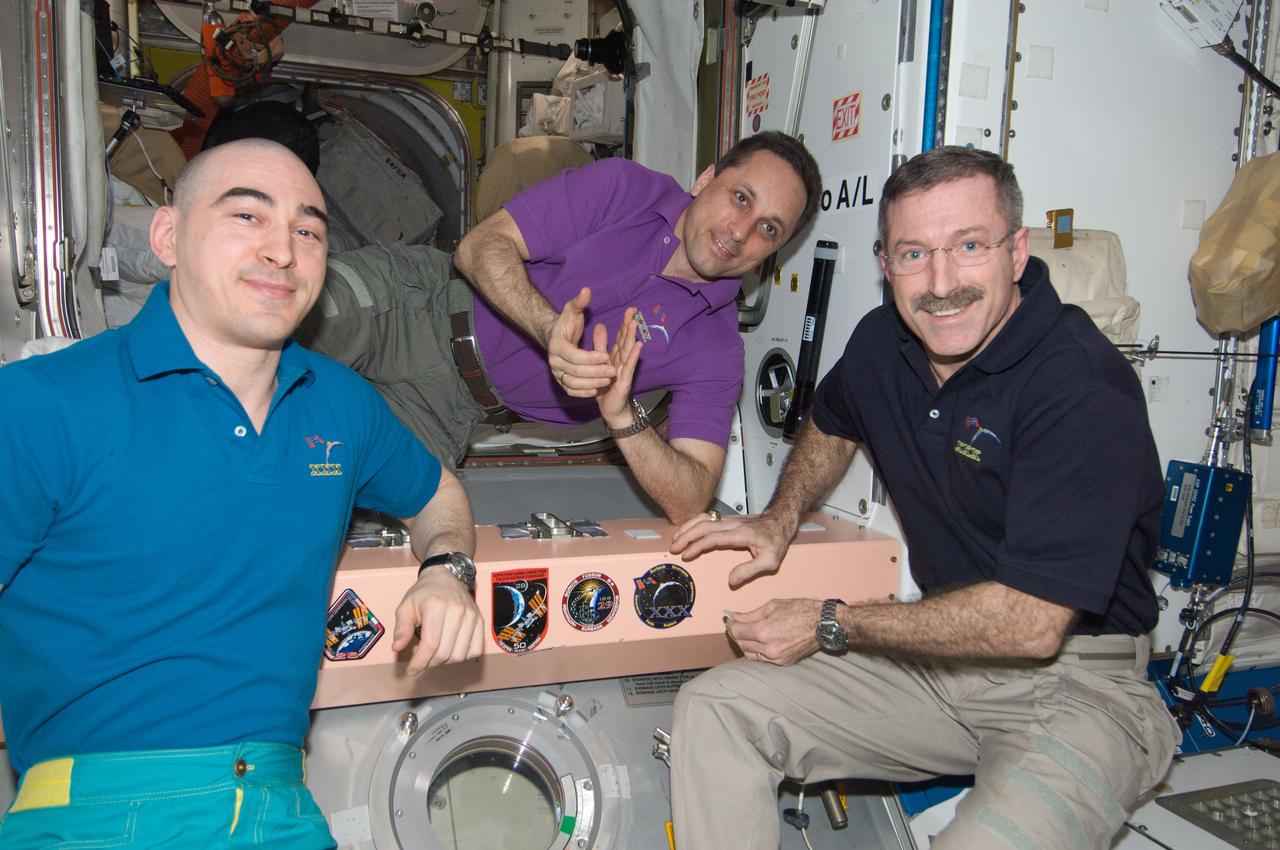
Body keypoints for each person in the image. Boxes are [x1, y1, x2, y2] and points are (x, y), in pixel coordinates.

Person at [666, 146, 1180, 849]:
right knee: (717, 707)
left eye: (968, 246)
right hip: (943, 670)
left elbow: (1030, 624)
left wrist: (830, 621)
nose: (941, 284)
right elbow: (832, 420)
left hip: (1080, 689)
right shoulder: (886, 341)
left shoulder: (1081, 385)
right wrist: (779, 518)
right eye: (914, 254)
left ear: (1016, 252)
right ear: (886, 264)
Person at [0, 139, 484, 849]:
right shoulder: (40, 404)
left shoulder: (342, 405)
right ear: (167, 237)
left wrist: (446, 571)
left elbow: (437, 492)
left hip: (280, 807)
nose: (282, 251)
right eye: (246, 217)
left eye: (308, 231)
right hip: (96, 811)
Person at [296, 131, 822, 523]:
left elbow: (690, 498)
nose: (741, 231)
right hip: (413, 304)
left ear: (773, 252)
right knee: (280, 319)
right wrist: (549, 329)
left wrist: (623, 416)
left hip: (445, 413)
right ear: (706, 180)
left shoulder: (717, 348)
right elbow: (480, 246)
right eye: (741, 198)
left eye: (768, 229)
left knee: (313, 499)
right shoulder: (625, 188)